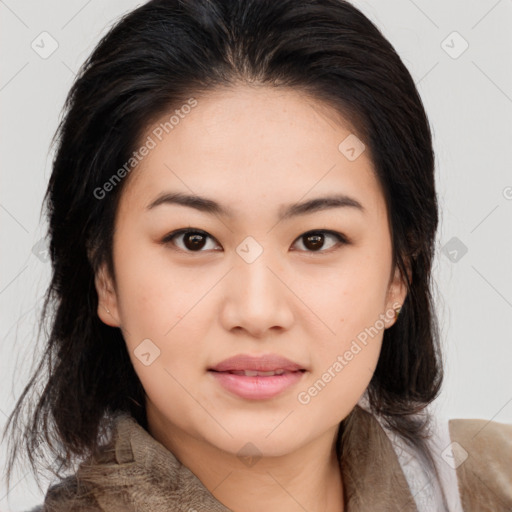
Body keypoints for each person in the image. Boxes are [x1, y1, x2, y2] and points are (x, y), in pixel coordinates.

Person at [2, 0, 511, 511]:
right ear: (105, 277)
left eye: (316, 240)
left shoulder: (491, 484)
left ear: (399, 274)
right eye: (193, 239)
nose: (257, 311)